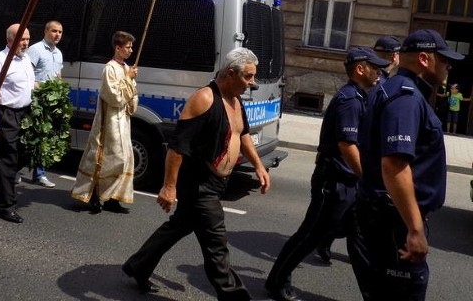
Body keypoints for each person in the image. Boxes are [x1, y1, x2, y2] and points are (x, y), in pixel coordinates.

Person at [122, 48, 271, 299]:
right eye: (248, 76)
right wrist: (169, 187)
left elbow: (242, 133)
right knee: (216, 245)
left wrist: (258, 165)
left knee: (178, 227)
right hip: (199, 184)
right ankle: (235, 295)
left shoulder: (235, 99)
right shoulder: (204, 99)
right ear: (230, 73)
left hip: (217, 182)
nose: (252, 83)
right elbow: (178, 147)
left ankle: (138, 266)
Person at [265, 47, 389, 301]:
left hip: (350, 183)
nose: (380, 71)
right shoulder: (350, 100)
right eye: (375, 66)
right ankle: (277, 280)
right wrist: (367, 177)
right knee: (311, 235)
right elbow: (347, 144)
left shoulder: (361, 95)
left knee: (360, 237)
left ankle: (374, 294)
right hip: (334, 182)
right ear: (360, 69)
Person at [351, 29, 464, 300]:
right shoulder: (406, 97)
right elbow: (394, 164)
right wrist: (414, 229)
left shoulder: (397, 90)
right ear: (424, 59)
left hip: (390, 216)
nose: (449, 65)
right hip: (395, 221)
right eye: (444, 59)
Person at [71, 31, 138, 214]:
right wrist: (129, 79)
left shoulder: (126, 67)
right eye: (128, 47)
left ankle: (113, 198)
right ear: (118, 48)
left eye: (132, 47)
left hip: (123, 120)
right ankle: (94, 194)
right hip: (109, 121)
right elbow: (113, 96)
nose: (131, 50)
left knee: (123, 159)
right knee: (104, 158)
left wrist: (131, 89)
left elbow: (132, 94)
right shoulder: (109, 68)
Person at [0, 24, 34, 224]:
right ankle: (6, 206)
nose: (25, 43)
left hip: (26, 113)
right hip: (7, 113)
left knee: (26, 154)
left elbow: (29, 85)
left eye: (28, 39)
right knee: (8, 159)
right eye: (21, 39)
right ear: (9, 40)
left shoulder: (26, 59)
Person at [26, 20, 64, 188]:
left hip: (50, 101)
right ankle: (12, 172)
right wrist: (42, 88)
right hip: (35, 100)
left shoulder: (58, 53)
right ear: (46, 31)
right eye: (54, 31)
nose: (57, 35)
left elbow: (58, 76)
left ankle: (39, 174)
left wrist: (60, 93)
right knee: (29, 138)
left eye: (60, 32)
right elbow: (27, 75)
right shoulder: (35, 50)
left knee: (45, 138)